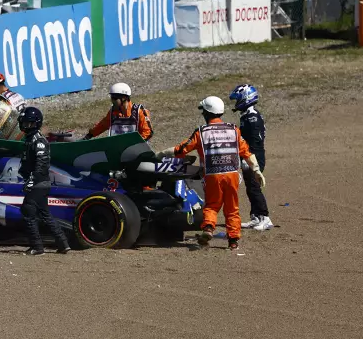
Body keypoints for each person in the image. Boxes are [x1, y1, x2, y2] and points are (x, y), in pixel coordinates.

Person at [157, 96, 266, 250]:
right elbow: (246, 152)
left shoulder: (201, 132)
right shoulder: (233, 129)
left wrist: (161, 154)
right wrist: (256, 170)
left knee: (212, 206)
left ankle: (208, 228)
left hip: (213, 176)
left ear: (207, 113)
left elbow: (181, 150)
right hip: (232, 175)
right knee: (232, 208)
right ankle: (233, 241)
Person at [18, 106, 71, 256]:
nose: (24, 126)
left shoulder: (39, 141)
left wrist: (31, 181)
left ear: (35, 123)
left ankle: (37, 247)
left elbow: (41, 164)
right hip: (39, 183)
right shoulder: (29, 139)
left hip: (39, 183)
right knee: (46, 215)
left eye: (28, 123)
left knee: (28, 211)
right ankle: (63, 244)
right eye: (24, 123)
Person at [230, 84, 272, 231]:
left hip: (255, 155)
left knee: (254, 188)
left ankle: (265, 218)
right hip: (250, 155)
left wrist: (248, 159)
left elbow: (254, 141)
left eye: (238, 99)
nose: (236, 103)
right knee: (250, 187)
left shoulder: (252, 117)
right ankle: (256, 216)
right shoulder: (248, 116)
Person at [81, 82, 153, 141]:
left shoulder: (139, 112)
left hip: (138, 148)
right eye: (112, 98)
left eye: (115, 98)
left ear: (124, 98)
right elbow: (103, 125)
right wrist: (89, 135)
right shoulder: (113, 112)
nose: (112, 101)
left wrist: (135, 143)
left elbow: (148, 132)